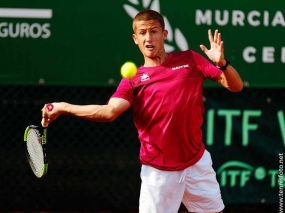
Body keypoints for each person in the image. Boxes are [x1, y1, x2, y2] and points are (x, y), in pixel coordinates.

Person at [42, 9, 243, 213]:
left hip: (196, 163)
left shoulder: (190, 59)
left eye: (154, 31)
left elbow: (236, 86)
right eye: (143, 32)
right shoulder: (133, 81)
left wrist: (222, 64)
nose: (149, 38)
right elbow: (110, 111)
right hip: (158, 172)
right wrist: (63, 107)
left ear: (164, 34)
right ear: (135, 38)